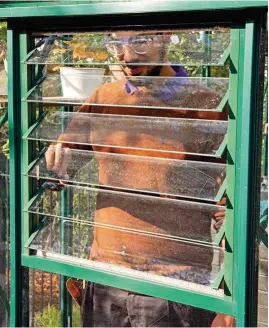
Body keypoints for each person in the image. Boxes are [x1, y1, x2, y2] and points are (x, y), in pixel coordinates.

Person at [46, 31, 234, 327]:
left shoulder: (207, 106)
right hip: (106, 279)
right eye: (116, 44)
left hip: (174, 288)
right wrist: (57, 159)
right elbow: (64, 163)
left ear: (166, 36)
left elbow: (230, 210)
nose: (127, 56)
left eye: (139, 43)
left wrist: (228, 301)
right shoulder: (104, 98)